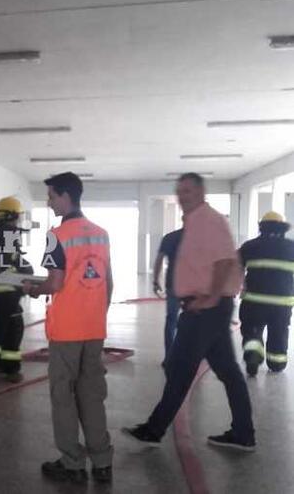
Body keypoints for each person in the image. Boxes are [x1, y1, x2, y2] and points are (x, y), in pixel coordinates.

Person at [123, 172, 255, 451]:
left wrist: (211, 299)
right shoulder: (194, 223)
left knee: (179, 368)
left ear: (201, 192)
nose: (183, 197)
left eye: (189, 192)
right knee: (228, 371)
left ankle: (154, 430)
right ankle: (243, 433)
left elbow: (223, 263)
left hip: (205, 309)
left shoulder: (210, 221)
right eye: (180, 192)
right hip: (207, 307)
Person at [23, 172, 114, 485]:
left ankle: (72, 463)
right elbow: (108, 283)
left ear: (65, 196)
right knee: (92, 394)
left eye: (50, 196)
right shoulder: (101, 234)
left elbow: (55, 283)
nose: (48, 203)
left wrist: (32, 289)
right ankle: (102, 462)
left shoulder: (56, 235)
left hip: (66, 331)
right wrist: (97, 315)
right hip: (94, 328)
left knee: (63, 396)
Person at [238, 211, 294, 376]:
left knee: (252, 331)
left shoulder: (250, 246)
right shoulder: (292, 247)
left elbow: (235, 268)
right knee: (279, 332)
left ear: (262, 227)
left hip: (254, 301)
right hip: (282, 303)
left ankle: (253, 355)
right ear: (283, 228)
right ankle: (276, 364)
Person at [0, 196, 33, 383]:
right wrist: (27, 270)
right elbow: (11, 260)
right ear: (11, 215)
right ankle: (11, 368)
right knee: (13, 326)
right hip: (7, 287)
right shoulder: (7, 233)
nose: (19, 220)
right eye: (18, 216)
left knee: (0, 324)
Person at [153, 229, 184, 365]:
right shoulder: (199, 237)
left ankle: (169, 357)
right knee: (194, 321)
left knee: (171, 320)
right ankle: (191, 357)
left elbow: (159, 259)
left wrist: (156, 281)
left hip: (173, 285)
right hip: (194, 287)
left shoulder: (170, 237)